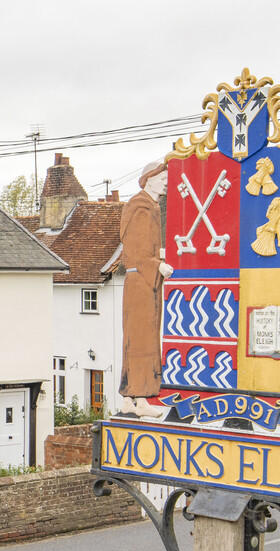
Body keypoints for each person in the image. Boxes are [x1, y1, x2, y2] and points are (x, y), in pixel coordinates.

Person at [119, 160, 173, 418]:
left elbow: (148, 245)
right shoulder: (139, 205)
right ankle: (140, 400)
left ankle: (130, 399)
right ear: (149, 179)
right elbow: (135, 248)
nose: (166, 183)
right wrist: (157, 265)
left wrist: (160, 255)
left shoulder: (151, 205)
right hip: (140, 281)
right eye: (162, 179)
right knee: (141, 339)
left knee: (141, 338)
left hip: (144, 280)